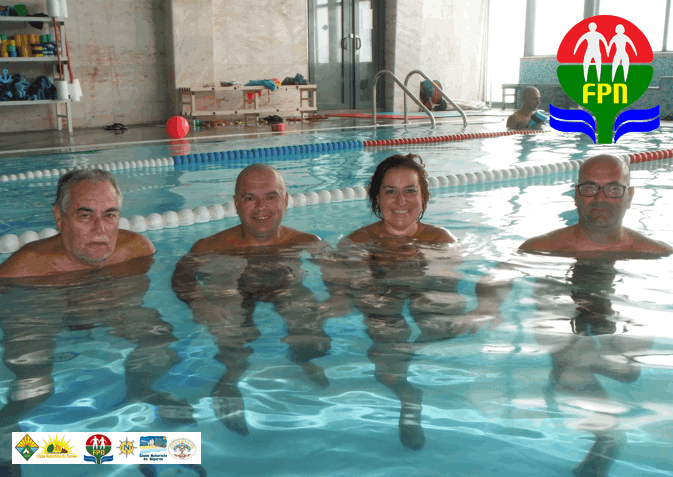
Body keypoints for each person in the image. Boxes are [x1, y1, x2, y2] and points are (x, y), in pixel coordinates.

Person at [339, 155, 500, 451]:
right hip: (383, 293)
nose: (401, 201)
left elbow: (452, 285)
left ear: (423, 196)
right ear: (376, 197)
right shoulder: (357, 243)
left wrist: (485, 306)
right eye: (390, 191)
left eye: (410, 190)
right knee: (384, 332)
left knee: (443, 318)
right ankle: (407, 395)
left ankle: (415, 352)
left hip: (425, 291)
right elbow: (354, 289)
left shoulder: (441, 240)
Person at [172, 163, 342, 436]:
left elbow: (338, 272)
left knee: (304, 309)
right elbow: (181, 276)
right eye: (250, 198)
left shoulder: (306, 241)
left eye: (271, 197)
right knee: (228, 315)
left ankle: (305, 359)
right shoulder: (211, 246)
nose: (261, 208)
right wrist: (198, 301)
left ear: (286, 200)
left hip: (284, 285)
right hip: (233, 286)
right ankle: (229, 378)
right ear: (236, 203)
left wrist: (338, 297)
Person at [0, 169, 155, 278]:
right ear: (59, 216)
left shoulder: (138, 252)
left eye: (109, 215)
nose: (100, 230)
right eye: (85, 216)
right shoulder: (22, 271)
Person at [519, 154, 673, 256]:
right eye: (589, 188)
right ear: (576, 195)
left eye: (614, 189)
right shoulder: (535, 249)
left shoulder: (657, 253)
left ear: (629, 197)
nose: (600, 198)